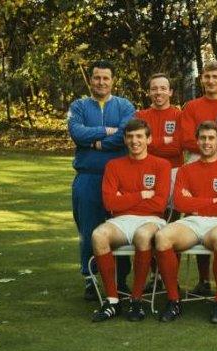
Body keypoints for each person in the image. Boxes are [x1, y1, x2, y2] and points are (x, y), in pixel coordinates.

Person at [154, 121, 217, 323]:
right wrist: (212, 201)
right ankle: (174, 300)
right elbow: (180, 202)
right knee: (162, 236)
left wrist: (195, 202)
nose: (207, 142)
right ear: (197, 141)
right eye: (202, 138)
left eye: (211, 138)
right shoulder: (185, 169)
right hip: (192, 222)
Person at [90, 119, 171, 322]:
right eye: (130, 137)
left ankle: (137, 299)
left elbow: (159, 205)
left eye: (139, 136)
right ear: (125, 140)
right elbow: (109, 202)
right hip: (121, 220)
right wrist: (142, 194)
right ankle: (112, 301)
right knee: (98, 235)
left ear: (148, 139)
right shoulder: (114, 165)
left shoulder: (161, 165)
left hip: (152, 220)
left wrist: (123, 198)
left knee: (143, 235)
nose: (135, 141)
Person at [68, 59, 135, 301]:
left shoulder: (125, 105)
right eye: (97, 77)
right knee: (89, 230)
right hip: (89, 178)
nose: (101, 82)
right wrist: (107, 131)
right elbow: (77, 133)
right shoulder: (79, 106)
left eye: (106, 78)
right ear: (91, 80)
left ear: (112, 80)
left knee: (120, 229)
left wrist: (96, 141)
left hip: (120, 180)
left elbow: (125, 135)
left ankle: (120, 279)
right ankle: (91, 279)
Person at [179, 60, 217, 295]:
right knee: (195, 217)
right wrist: (215, 148)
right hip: (195, 163)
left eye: (216, 76)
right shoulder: (192, 106)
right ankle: (203, 280)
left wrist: (216, 150)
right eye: (207, 76)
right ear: (201, 79)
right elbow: (185, 139)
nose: (211, 81)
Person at [136, 73, 183, 221]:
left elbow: (176, 148)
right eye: (154, 88)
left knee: (170, 220)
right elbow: (136, 145)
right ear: (149, 92)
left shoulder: (179, 115)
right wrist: (164, 139)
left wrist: (150, 143)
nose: (158, 92)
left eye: (163, 88)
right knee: (148, 217)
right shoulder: (140, 116)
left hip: (173, 171)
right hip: (146, 172)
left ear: (170, 92)